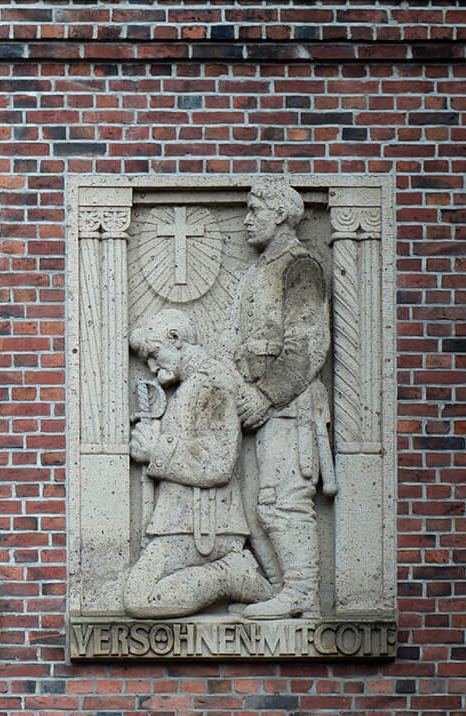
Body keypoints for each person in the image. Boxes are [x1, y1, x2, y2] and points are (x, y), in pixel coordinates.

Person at [124, 309, 275, 618]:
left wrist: (156, 450)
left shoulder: (212, 382)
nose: (151, 367)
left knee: (139, 599)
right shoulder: (192, 385)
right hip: (182, 523)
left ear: (176, 340)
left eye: (154, 354)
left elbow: (216, 461)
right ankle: (229, 574)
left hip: (203, 528)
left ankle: (230, 574)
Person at [231, 180, 336, 619]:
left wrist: (265, 396)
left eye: (255, 210)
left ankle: (302, 594)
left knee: (283, 502)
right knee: (257, 506)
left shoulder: (300, 265)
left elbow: (309, 345)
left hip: (289, 408)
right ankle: (281, 590)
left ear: (279, 214)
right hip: (256, 406)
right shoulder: (259, 270)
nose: (247, 219)